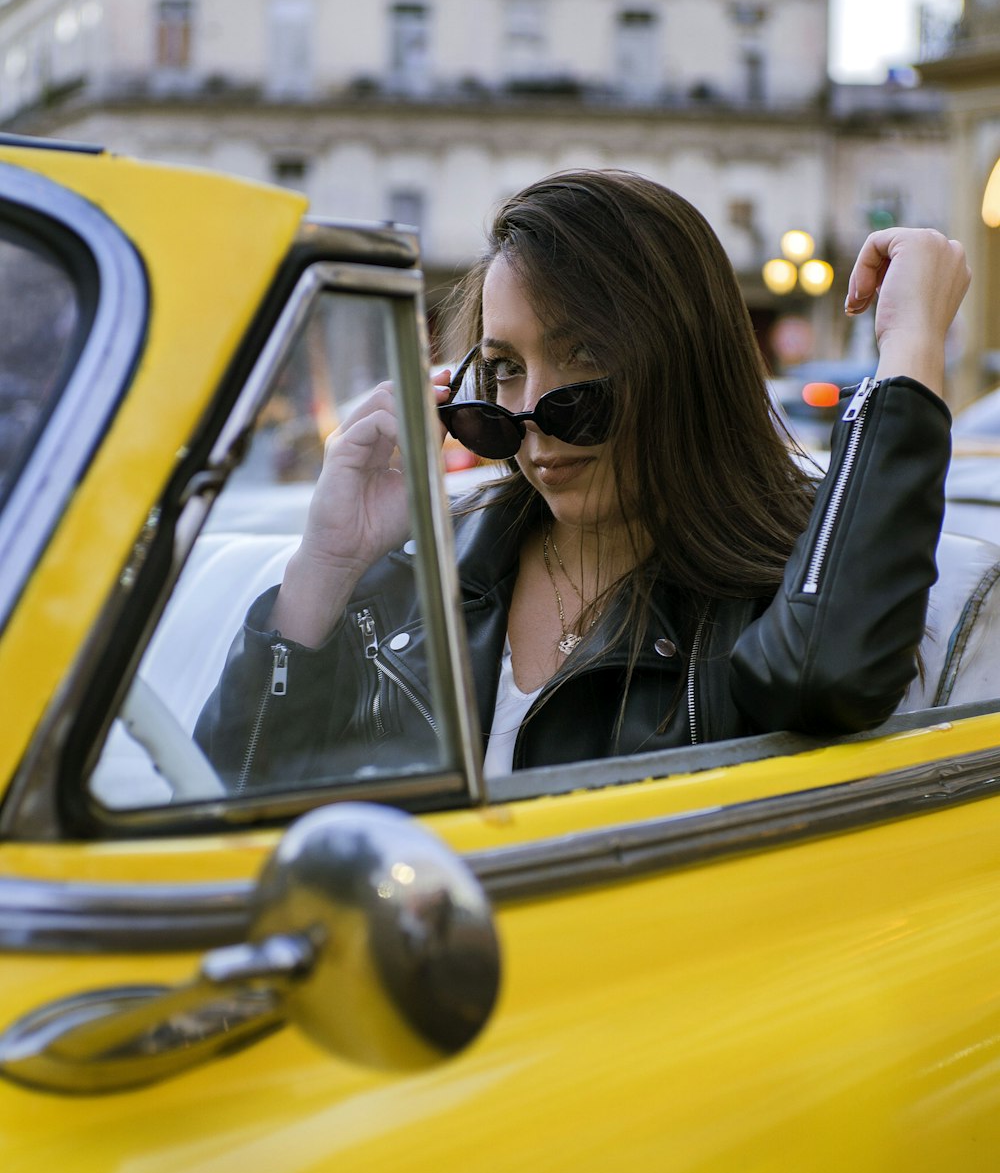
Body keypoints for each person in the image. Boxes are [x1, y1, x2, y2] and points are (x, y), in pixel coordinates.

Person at [195, 169, 970, 787]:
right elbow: (224, 790)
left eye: (585, 358)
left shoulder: (794, 583)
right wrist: (327, 563)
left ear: (684, 365)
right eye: (502, 369)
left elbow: (826, 677)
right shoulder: (429, 574)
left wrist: (908, 350)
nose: (530, 414)